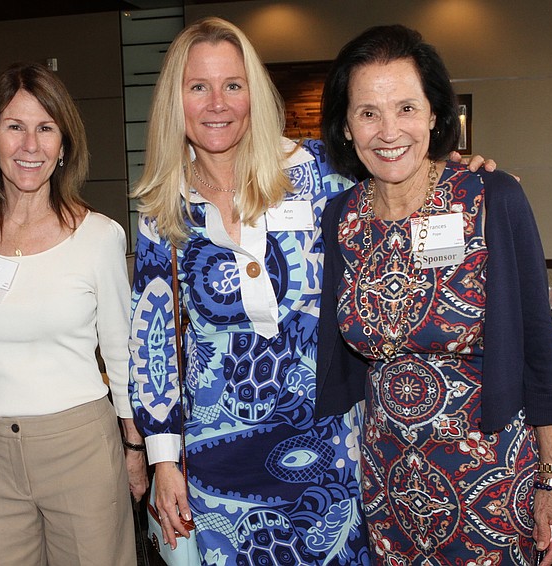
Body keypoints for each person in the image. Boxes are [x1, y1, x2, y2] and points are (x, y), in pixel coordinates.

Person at [128, 17, 495, 565]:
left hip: (332, 451)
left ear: (254, 92)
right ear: (173, 102)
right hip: (215, 467)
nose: (217, 104)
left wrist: (459, 174)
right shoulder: (164, 208)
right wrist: (162, 460)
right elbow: (151, 344)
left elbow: (401, 174)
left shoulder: (319, 171)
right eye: (198, 86)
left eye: (233, 85)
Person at [318, 25, 552, 564]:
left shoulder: (490, 197)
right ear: (345, 125)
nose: (389, 131)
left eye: (406, 108)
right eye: (368, 113)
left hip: (490, 476)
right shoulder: (343, 218)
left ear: (434, 114)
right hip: (388, 480)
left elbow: (537, 346)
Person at [0, 62, 147, 565]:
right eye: (15, 126)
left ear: (63, 144)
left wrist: (135, 449)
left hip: (81, 448)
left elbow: (122, 352)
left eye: (45, 128)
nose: (30, 145)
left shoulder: (99, 236)